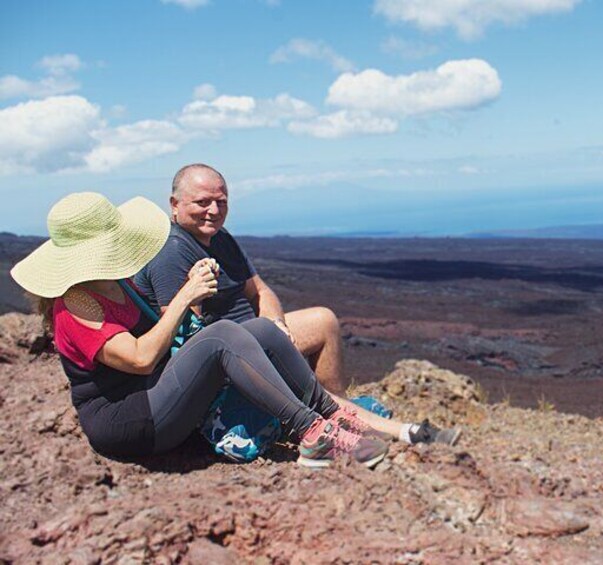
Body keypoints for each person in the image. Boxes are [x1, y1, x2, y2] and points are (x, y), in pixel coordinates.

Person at [10, 192, 388, 468]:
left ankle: (328, 414)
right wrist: (185, 295)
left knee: (261, 329)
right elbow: (141, 359)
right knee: (222, 335)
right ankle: (313, 435)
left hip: (156, 398)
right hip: (130, 421)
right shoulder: (75, 307)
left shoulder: (115, 283)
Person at [135, 163, 460, 446]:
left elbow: (260, 291)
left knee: (323, 320)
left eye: (221, 202)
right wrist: (259, 346)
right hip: (229, 355)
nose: (214, 211)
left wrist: (276, 326)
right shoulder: (173, 252)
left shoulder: (221, 240)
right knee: (307, 391)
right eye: (202, 202)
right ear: (175, 205)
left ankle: (342, 408)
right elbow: (186, 338)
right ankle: (394, 431)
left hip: (257, 336)